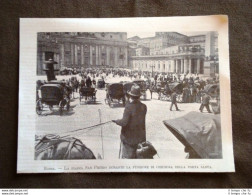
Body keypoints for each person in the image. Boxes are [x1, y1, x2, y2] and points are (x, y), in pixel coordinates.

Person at [112, 85, 147, 159]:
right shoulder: (144, 106)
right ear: (139, 96)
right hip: (140, 139)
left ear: (130, 96)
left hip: (129, 140)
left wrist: (116, 121)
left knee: (127, 159)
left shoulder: (128, 107)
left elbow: (124, 122)